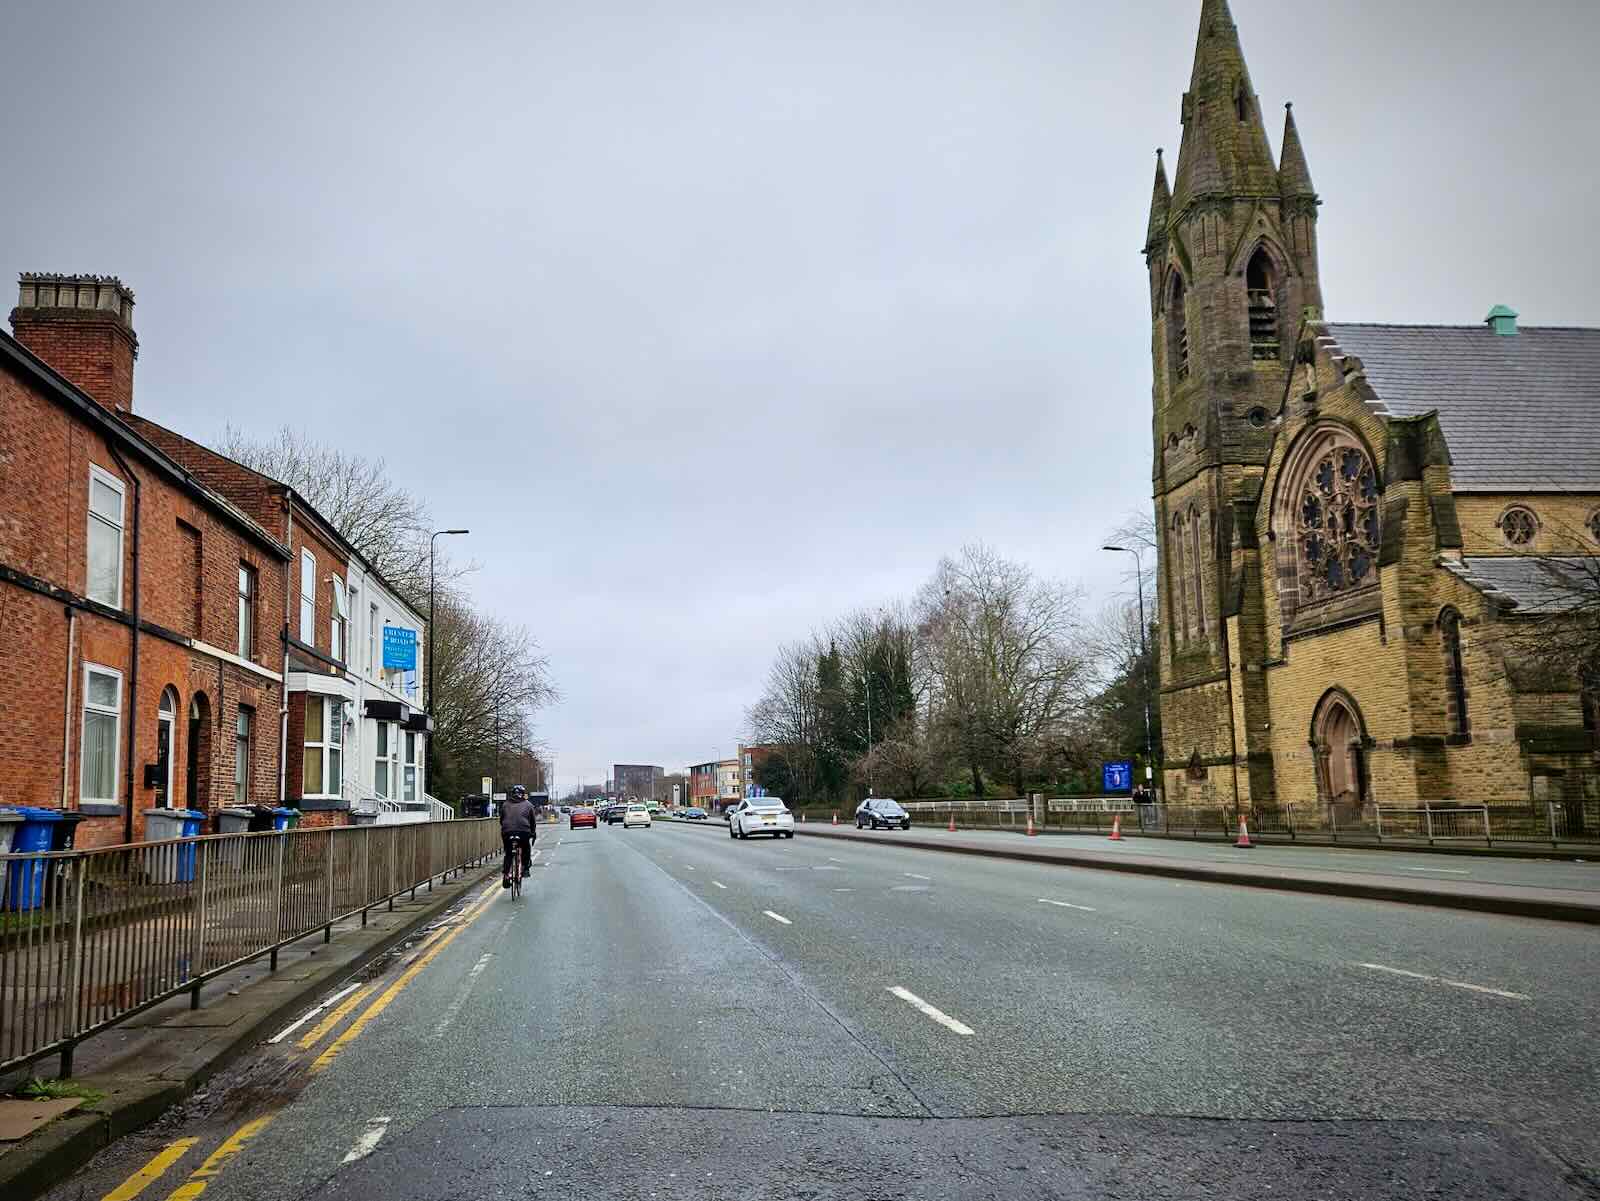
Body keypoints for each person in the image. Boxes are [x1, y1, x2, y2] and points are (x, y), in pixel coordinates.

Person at [499, 786, 537, 888]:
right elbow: (533, 822)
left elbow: (501, 820)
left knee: (508, 853)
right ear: (523, 794)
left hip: (507, 832)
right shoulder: (528, 805)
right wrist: (533, 833)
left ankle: (506, 875)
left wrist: (506, 828)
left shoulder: (505, 804)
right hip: (523, 831)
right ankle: (525, 869)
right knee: (526, 848)